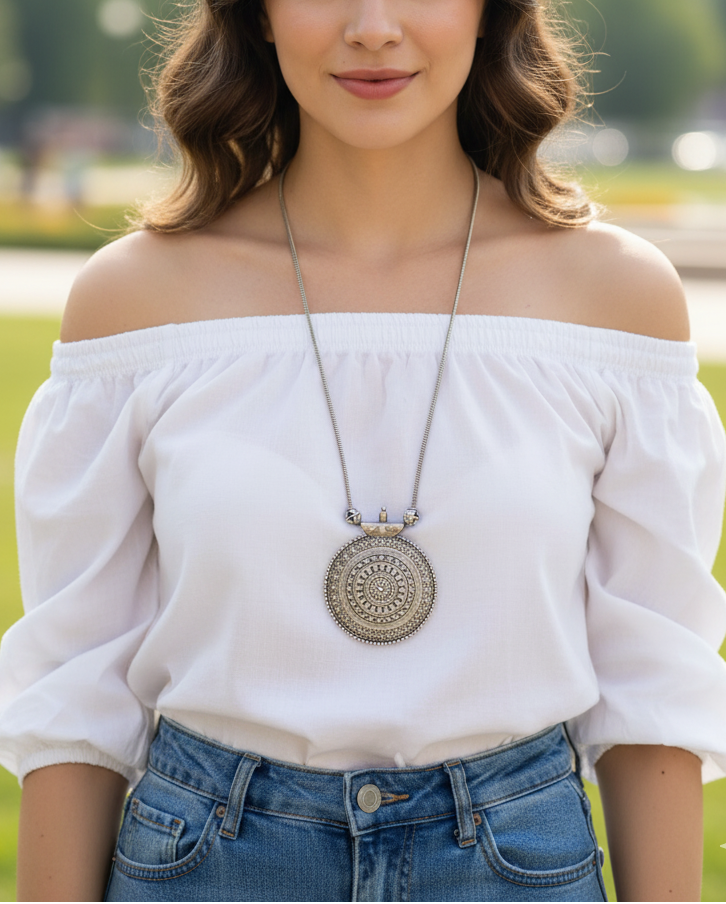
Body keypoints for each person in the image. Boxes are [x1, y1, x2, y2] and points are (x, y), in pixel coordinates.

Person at [2, 0, 726, 900]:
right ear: (257, 16)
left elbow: (653, 681)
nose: (374, 27)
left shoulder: (613, 299)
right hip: (208, 864)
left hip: (516, 866)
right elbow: (77, 694)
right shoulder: (139, 303)